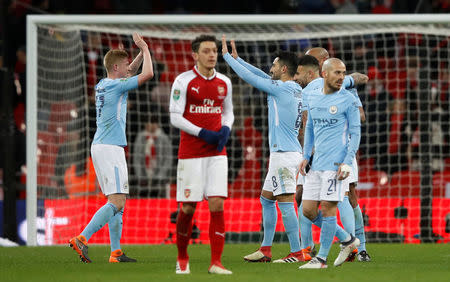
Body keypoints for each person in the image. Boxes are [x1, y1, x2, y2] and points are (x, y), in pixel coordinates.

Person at [69, 32, 154, 263]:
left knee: (116, 201)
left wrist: (136, 54)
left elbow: (131, 72)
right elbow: (148, 73)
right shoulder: (116, 87)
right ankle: (82, 238)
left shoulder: (104, 84)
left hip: (101, 146)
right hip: (110, 148)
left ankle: (115, 252)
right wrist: (145, 48)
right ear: (116, 67)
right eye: (125, 65)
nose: (129, 68)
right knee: (117, 201)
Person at [222, 36, 304, 263]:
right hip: (286, 153)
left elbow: (250, 78)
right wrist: (240, 59)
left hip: (284, 155)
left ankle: (296, 252)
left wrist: (228, 58)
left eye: (275, 65)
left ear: (284, 69)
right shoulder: (292, 88)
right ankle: (265, 249)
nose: (271, 68)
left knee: (285, 201)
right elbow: (261, 75)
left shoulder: (282, 90)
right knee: (266, 200)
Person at [169, 34, 234, 275]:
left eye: (214, 51)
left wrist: (225, 128)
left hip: (217, 152)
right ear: (195, 55)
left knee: (217, 203)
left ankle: (216, 262)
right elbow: (175, 116)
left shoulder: (224, 82)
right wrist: (202, 132)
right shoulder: (183, 80)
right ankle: (182, 257)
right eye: (206, 51)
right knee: (188, 208)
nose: (212, 55)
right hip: (190, 153)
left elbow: (228, 112)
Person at [300, 47, 371, 262]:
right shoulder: (310, 91)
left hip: (343, 150)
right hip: (317, 154)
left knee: (348, 196)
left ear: (323, 62)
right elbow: (307, 123)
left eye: (312, 60)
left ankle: (359, 249)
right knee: (311, 205)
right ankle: (345, 242)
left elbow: (361, 116)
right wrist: (306, 152)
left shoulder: (347, 88)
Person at [132, 115, 172, 198]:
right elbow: (136, 158)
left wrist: (160, 175)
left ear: (157, 124)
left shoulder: (164, 138)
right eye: (148, 123)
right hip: (143, 177)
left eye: (153, 123)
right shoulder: (141, 137)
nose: (150, 125)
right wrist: (139, 175)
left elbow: (168, 158)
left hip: (160, 178)